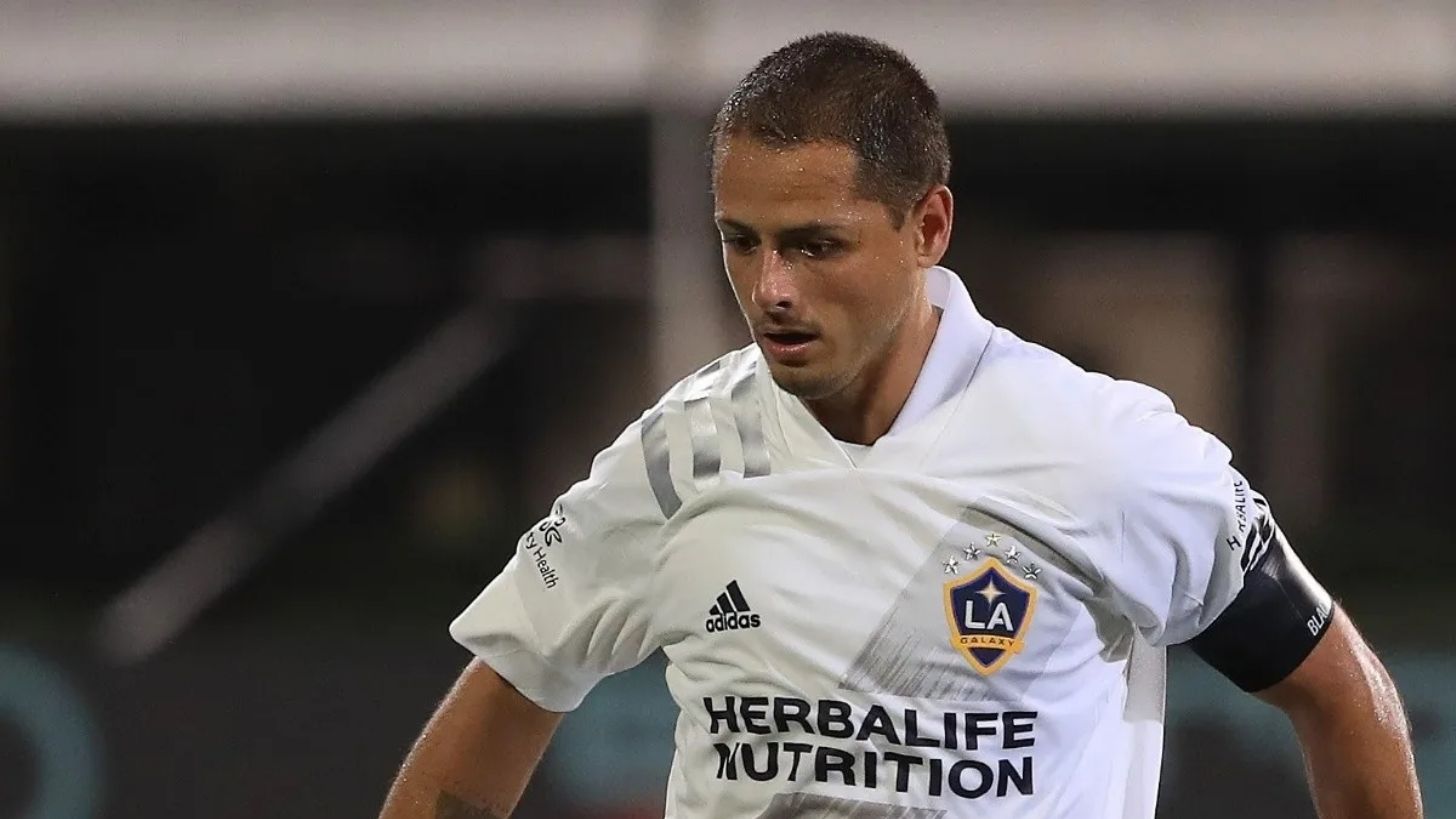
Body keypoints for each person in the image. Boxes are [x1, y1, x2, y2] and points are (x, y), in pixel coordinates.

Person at [380, 32, 1423, 819]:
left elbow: (1339, 693)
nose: (769, 287)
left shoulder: (1105, 453)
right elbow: (501, 700)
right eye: (740, 241)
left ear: (927, 226)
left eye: (814, 245)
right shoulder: (674, 459)